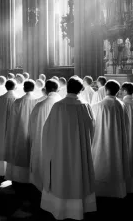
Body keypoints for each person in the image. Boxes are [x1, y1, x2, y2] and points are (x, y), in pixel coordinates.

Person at [41, 76, 97, 220]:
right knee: (80, 174)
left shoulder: (58, 106)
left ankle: (60, 207)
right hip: (80, 150)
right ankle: (79, 207)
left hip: (61, 150)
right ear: (81, 89)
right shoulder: (85, 106)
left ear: (67, 88)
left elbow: (47, 130)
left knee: (61, 176)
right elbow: (92, 128)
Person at [91, 80, 130, 198]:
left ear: (106, 90)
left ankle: (100, 191)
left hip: (100, 141)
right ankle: (117, 191)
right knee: (117, 163)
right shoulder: (121, 105)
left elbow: (91, 126)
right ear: (118, 91)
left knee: (100, 163)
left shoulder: (96, 106)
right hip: (118, 141)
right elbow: (127, 125)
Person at [29, 79, 62, 191]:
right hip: (58, 144)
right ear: (58, 89)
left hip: (40, 142)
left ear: (46, 90)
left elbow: (31, 126)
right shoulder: (63, 104)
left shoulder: (39, 105)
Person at [4, 80, 37, 184]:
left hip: (19, 132)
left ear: (24, 88)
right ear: (34, 88)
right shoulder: (38, 101)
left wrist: (11, 134)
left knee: (19, 153)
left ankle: (18, 177)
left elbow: (12, 120)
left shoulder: (18, 102)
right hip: (33, 133)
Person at [0, 79, 18, 184]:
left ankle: (2, 173)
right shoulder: (18, 99)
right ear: (15, 87)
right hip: (13, 130)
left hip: (1, 129)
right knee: (12, 149)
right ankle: (12, 173)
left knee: (2, 148)